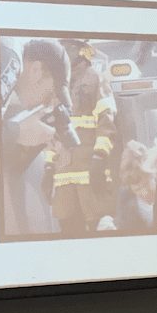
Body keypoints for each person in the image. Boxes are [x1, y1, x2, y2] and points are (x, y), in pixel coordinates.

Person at [42, 40, 117, 235]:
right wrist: (48, 166)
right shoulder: (57, 86)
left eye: (67, 48)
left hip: (90, 170)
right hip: (63, 175)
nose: (63, 54)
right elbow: (51, 130)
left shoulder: (96, 79)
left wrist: (99, 157)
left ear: (81, 51)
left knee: (97, 228)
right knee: (68, 231)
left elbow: (106, 120)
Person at [0, 38, 72, 235]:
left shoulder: (8, 58)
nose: (46, 105)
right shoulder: (11, 61)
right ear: (36, 70)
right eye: (49, 95)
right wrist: (18, 132)